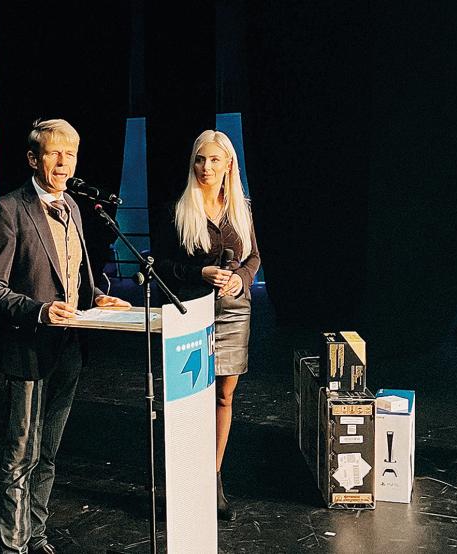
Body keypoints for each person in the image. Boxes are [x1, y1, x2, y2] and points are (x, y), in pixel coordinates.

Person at [0, 118, 130, 553]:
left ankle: (36, 534)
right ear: (33, 158)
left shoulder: (76, 207)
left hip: (69, 350)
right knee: (21, 455)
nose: (64, 163)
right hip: (28, 350)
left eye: (71, 154)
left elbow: (75, 276)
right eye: (54, 154)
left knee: (48, 454)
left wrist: (97, 296)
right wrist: (39, 311)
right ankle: (13, 545)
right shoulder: (9, 210)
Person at [154, 130, 260, 520]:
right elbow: (160, 266)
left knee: (223, 397)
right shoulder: (178, 209)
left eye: (214, 160)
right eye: (200, 159)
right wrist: (201, 272)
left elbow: (254, 257)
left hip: (234, 311)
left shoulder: (241, 208)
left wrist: (241, 279)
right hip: (189, 310)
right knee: (185, 399)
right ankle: (182, 480)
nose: (205, 167)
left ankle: (212, 477)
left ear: (229, 164)